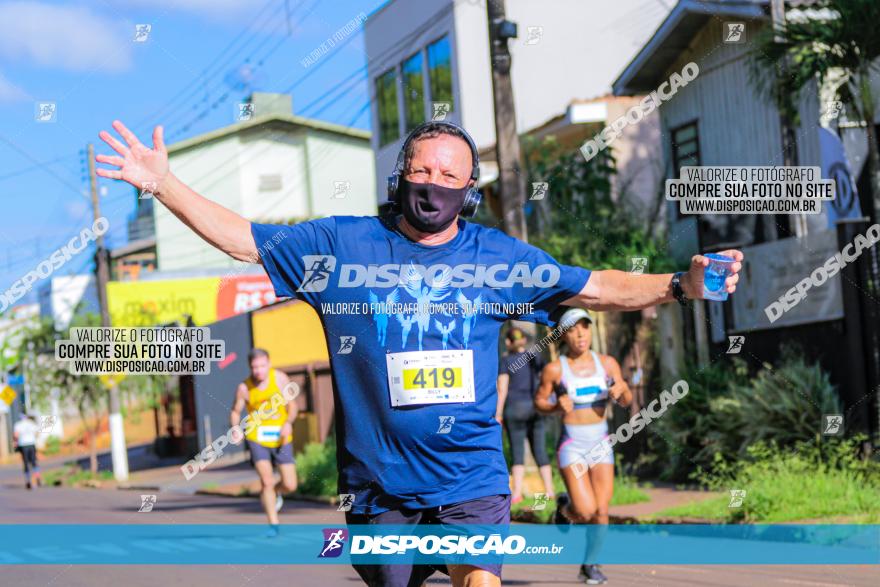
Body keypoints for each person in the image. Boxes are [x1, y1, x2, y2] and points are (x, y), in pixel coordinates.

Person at [96, 118, 743, 587]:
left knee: (480, 580)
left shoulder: (498, 258)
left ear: (470, 190)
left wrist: (679, 285)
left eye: (449, 175)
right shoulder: (341, 246)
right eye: (421, 169)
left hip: (469, 475)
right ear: (399, 174)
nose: (432, 183)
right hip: (380, 485)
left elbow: (595, 286)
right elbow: (245, 241)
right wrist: (164, 185)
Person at [534, 308, 632, 585]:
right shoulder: (555, 369)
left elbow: (626, 400)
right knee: (586, 511)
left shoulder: (607, 363)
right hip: (572, 444)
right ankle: (564, 509)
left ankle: (590, 565)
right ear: (563, 335)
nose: (580, 334)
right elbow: (539, 402)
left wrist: (621, 390)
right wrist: (554, 406)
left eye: (585, 328)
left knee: (601, 510)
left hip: (600, 441)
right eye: (574, 329)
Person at [229, 348, 298, 536]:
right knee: (266, 481)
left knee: (290, 484)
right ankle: (273, 525)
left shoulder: (280, 379)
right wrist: (235, 428)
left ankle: (275, 492)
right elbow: (236, 411)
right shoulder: (244, 388)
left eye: (262, 366)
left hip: (281, 436)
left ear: (269, 363)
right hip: (256, 437)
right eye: (254, 367)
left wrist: (288, 423)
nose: (259, 370)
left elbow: (292, 406)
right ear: (250, 367)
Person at [496, 327, 554, 504]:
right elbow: (546, 377)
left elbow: (502, 389)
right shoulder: (534, 357)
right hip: (534, 408)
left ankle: (517, 494)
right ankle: (549, 492)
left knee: (517, 453)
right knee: (540, 451)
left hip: (514, 409)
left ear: (508, 342)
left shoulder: (505, 361)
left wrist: (498, 414)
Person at [13, 413, 42, 490]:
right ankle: (38, 477)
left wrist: (15, 443)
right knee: (34, 461)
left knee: (25, 463)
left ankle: (28, 480)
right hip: (32, 444)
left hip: (23, 445)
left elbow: (16, 435)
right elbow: (37, 432)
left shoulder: (18, 425)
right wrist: (33, 438)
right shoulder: (31, 423)